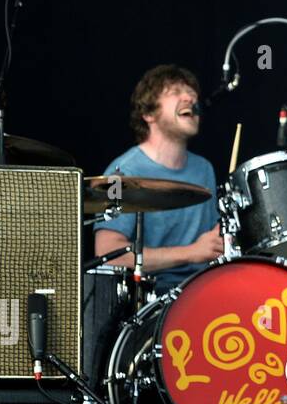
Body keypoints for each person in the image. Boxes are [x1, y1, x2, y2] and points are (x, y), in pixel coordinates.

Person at [93, 64, 223, 295]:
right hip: (150, 303)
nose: (190, 97)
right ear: (149, 114)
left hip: (204, 292)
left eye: (192, 92)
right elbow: (108, 255)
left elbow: (210, 246)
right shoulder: (121, 173)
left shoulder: (204, 169)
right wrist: (191, 252)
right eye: (175, 92)